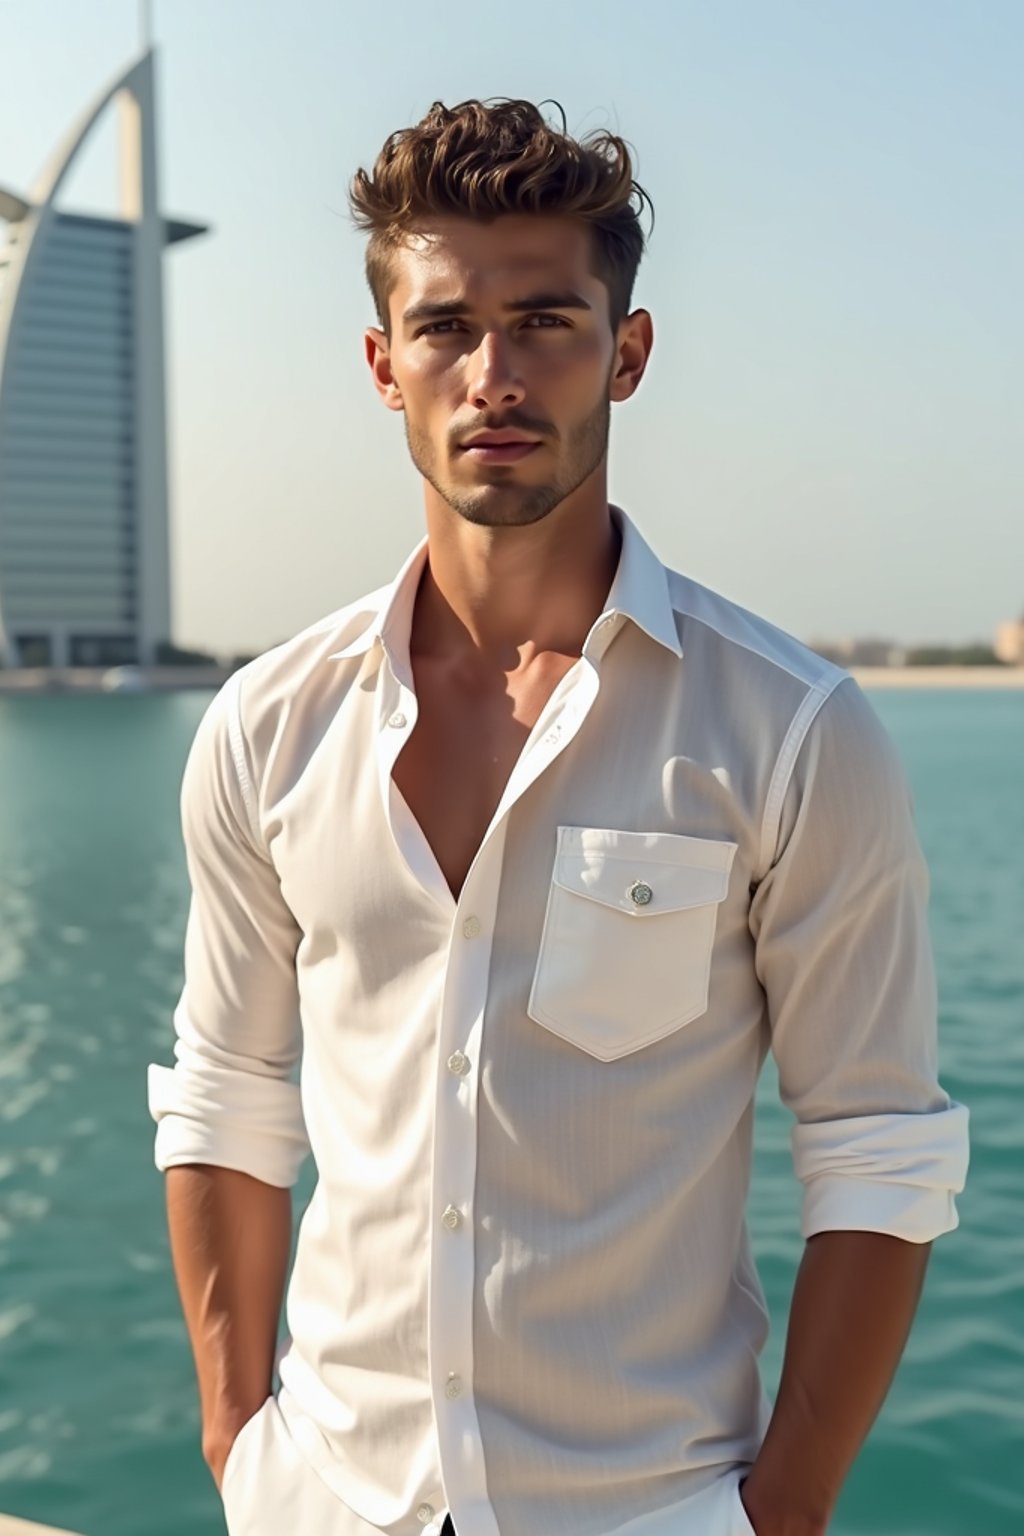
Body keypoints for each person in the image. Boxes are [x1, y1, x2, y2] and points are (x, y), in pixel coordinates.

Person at [148, 99, 969, 1536]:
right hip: (325, 1504)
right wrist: (239, 1442)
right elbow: (229, 1096)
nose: (494, 374)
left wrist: (778, 1512)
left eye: (547, 322)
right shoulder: (269, 729)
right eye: (446, 327)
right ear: (381, 365)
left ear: (627, 354)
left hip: (652, 1511)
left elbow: (878, 1149)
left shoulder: (788, 731)